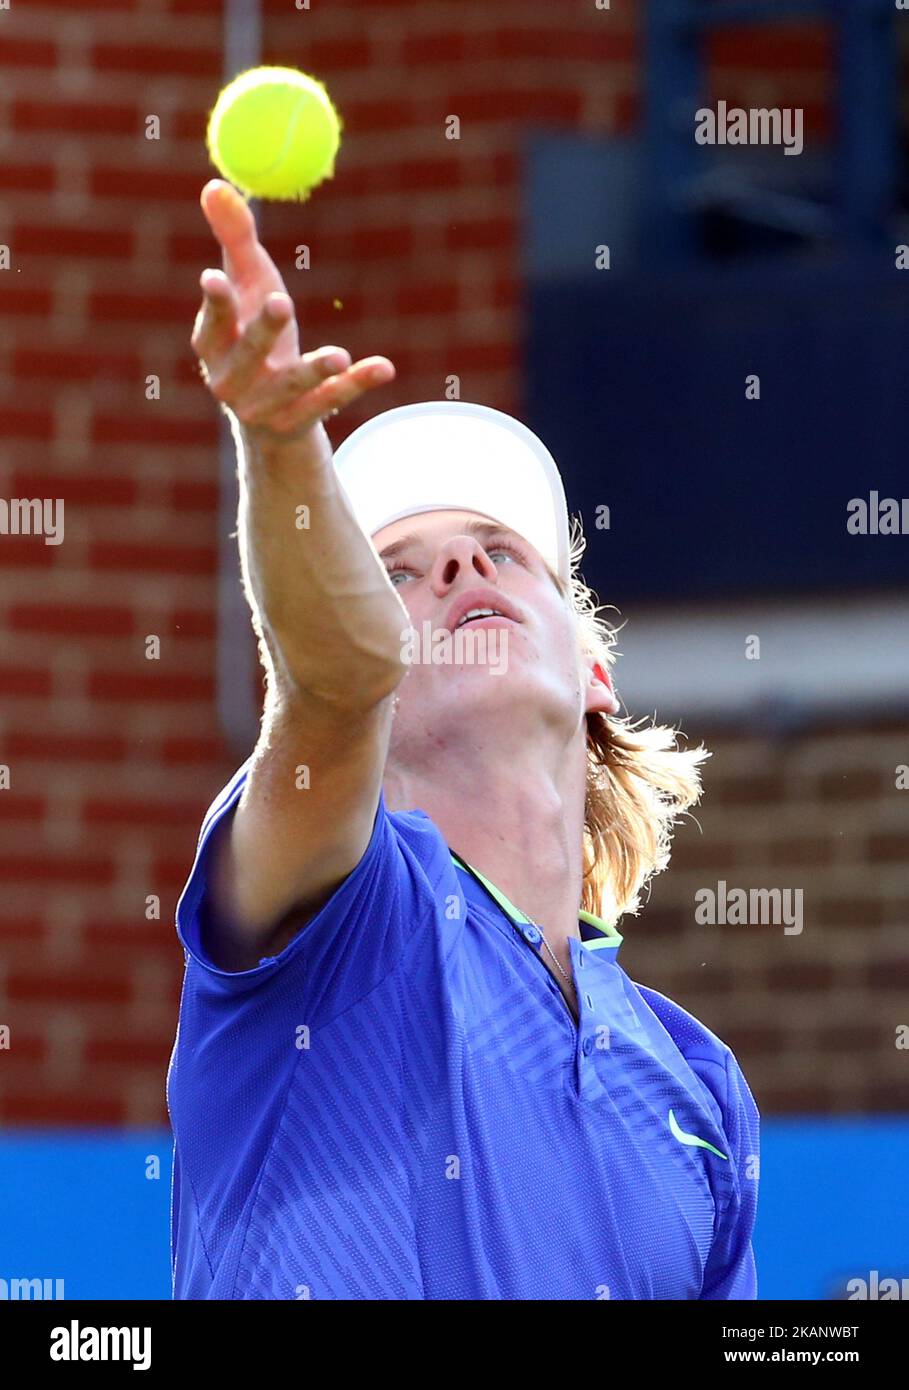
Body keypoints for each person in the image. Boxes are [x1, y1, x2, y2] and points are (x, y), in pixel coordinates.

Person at [167, 178, 760, 1301]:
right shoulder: (345, 907)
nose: (460, 566)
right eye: (399, 568)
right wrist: (281, 442)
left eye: (502, 548)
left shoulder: (698, 1086)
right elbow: (334, 680)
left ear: (594, 672)